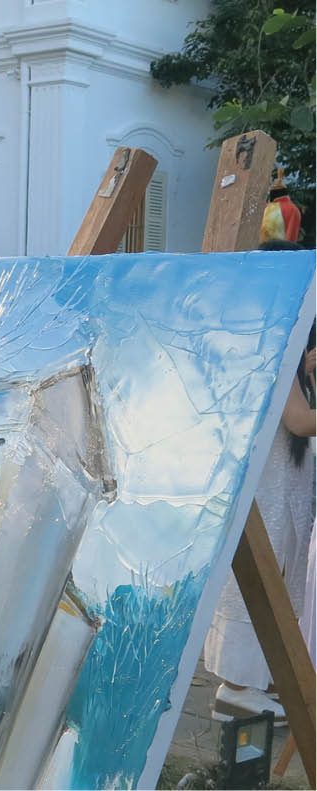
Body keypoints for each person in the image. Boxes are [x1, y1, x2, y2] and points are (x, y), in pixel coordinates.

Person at [204, 241, 316, 723]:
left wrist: (307, 364)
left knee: (280, 580)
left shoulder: (268, 337)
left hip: (283, 486)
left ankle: (261, 681)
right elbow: (297, 421)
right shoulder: (265, 342)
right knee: (259, 584)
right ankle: (238, 686)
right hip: (270, 489)